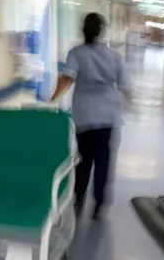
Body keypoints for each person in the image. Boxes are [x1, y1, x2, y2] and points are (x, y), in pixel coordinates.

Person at [50, 13, 131, 220]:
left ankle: (79, 197)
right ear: (102, 31)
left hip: (84, 117)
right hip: (108, 116)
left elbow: (67, 78)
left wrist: (52, 100)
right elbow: (124, 86)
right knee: (103, 161)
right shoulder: (114, 56)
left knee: (83, 160)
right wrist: (132, 101)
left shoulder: (77, 53)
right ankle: (99, 205)